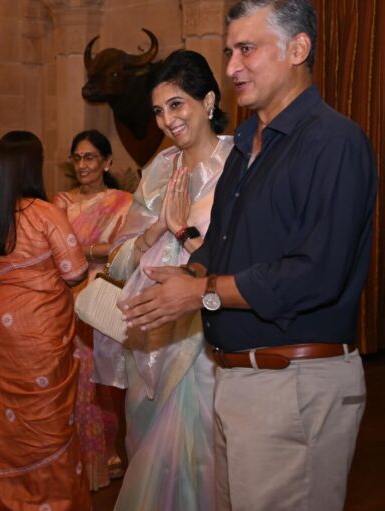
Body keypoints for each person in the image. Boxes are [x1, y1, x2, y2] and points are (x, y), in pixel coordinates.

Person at [120, 2, 376, 510]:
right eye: (229, 52)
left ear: (298, 49)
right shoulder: (248, 146)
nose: (233, 66)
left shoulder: (334, 142)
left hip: (294, 384)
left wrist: (200, 291)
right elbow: (224, 248)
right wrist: (186, 273)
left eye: (247, 50)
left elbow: (316, 274)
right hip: (235, 382)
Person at [108, 49, 232, 511]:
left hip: (204, 338)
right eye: (159, 111)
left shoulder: (238, 164)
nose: (166, 120)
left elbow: (243, 260)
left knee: (203, 460)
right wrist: (160, 225)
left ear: (209, 101)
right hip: (149, 337)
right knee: (150, 460)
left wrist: (184, 230)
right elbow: (120, 262)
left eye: (177, 104)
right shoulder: (160, 169)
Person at [0, 131, 91, 510]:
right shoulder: (46, 214)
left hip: (1, 340)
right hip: (41, 337)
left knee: (10, 425)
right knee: (49, 424)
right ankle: (54, 502)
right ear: (33, 167)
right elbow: (74, 272)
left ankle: (13, 502)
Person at [52, 129, 133, 490]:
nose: (83, 165)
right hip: (67, 298)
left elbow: (126, 250)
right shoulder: (61, 202)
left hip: (106, 297)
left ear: (106, 162)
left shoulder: (123, 202)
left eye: (90, 158)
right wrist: (95, 250)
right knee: (72, 377)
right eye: (78, 158)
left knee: (105, 379)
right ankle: (76, 455)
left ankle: (107, 453)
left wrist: (82, 250)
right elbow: (53, 249)